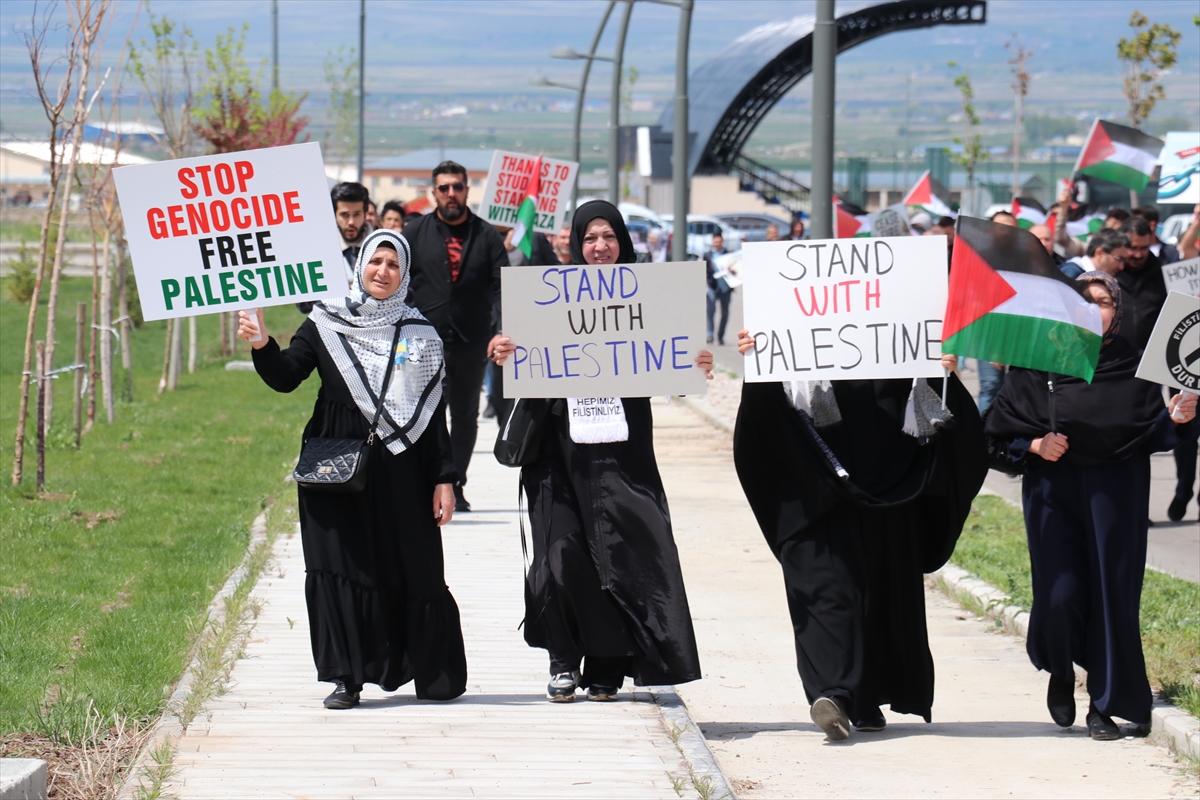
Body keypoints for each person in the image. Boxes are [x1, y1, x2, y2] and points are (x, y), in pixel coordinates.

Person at [490, 200, 709, 704]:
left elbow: (672, 362)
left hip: (622, 458)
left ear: (623, 242)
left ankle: (607, 665)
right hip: (556, 453)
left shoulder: (649, 298)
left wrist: (694, 359)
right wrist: (503, 351)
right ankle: (564, 660)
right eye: (590, 238)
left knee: (620, 554)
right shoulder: (548, 297)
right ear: (575, 245)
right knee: (560, 553)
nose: (600, 247)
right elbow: (518, 355)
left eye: (609, 237)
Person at [239, 228, 467, 708]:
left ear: (404, 275)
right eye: (374, 262)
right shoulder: (325, 321)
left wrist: (444, 479)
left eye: (392, 265)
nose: (382, 272)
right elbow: (286, 377)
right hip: (335, 467)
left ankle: (433, 672)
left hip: (402, 470)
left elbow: (431, 414)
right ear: (359, 265)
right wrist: (262, 343)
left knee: (413, 564)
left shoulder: (419, 334)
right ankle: (347, 677)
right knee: (339, 565)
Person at [732, 330, 987, 739]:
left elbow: (940, 416)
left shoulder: (896, 331)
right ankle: (833, 694)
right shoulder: (791, 320)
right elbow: (767, 413)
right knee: (823, 588)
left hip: (892, 475)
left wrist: (942, 375)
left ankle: (867, 698)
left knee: (881, 590)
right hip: (813, 475)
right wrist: (759, 361)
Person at [984, 271, 1197, 739]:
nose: (1093, 309)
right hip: (1051, 494)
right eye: (1083, 301)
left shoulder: (1133, 364)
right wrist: (1036, 446)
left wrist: (1179, 418)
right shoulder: (1037, 362)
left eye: (1103, 301)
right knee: (1059, 595)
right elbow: (995, 435)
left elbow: (1153, 431)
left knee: (1111, 594)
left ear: (1117, 312)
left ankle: (1105, 703)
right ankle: (1060, 669)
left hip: (1116, 491)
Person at [403, 160, 508, 513]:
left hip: (471, 340)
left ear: (466, 190)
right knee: (428, 414)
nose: (451, 193)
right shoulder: (414, 233)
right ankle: (430, 482)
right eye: (444, 187)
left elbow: (503, 289)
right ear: (433, 192)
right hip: (424, 341)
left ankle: (456, 484)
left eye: (457, 187)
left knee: (464, 416)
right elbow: (398, 286)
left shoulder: (487, 236)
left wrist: (501, 331)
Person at [1115, 217, 1166, 352]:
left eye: (1144, 248)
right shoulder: (1109, 274)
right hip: (1115, 360)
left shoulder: (1163, 274)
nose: (1138, 255)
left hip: (1153, 358)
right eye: (1133, 248)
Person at [332, 182, 373, 287]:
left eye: (356, 214)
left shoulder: (383, 247)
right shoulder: (323, 248)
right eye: (344, 215)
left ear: (365, 213)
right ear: (334, 214)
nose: (351, 222)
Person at [1060, 228, 1130, 279]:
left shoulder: (1104, 280)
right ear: (1099, 253)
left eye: (1124, 261)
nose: (1121, 267)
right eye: (1118, 258)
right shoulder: (1072, 273)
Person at [704, 231, 734, 346]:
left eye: (719, 241)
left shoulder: (728, 254)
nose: (717, 243)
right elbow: (705, 270)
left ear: (722, 242)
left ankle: (721, 336)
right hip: (712, 286)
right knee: (710, 311)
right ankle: (710, 334)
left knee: (725, 312)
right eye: (715, 241)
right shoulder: (707, 255)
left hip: (725, 287)